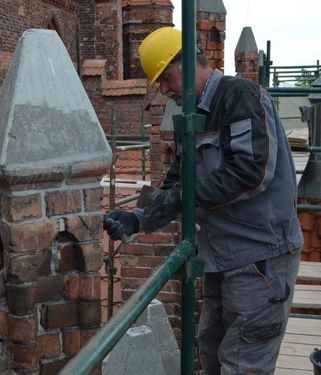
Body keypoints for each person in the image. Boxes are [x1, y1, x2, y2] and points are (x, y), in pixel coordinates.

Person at [103, 27, 303, 375]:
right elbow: (176, 183)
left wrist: (181, 197)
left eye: (166, 78)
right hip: (220, 258)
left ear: (189, 64)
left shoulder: (242, 98)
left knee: (243, 365)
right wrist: (137, 218)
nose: (163, 90)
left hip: (261, 258)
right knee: (210, 353)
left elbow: (251, 172)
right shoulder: (189, 119)